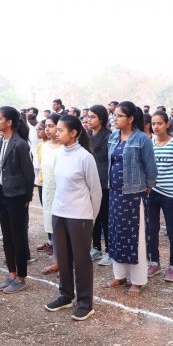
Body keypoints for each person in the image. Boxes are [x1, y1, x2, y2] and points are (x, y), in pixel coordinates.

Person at [45, 115, 101, 320]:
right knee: (63, 257)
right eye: (56, 130)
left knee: (81, 259)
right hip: (59, 213)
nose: (56, 133)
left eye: (60, 130)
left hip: (80, 217)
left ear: (74, 133)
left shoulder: (85, 157)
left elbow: (96, 192)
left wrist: (90, 218)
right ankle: (66, 295)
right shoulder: (60, 154)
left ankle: (85, 303)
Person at [101, 101, 157, 297]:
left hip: (134, 195)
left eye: (119, 116)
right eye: (114, 115)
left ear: (131, 118)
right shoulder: (114, 137)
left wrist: (147, 187)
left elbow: (151, 169)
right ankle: (120, 275)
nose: (114, 119)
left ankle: (138, 280)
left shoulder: (142, 139)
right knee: (116, 234)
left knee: (135, 238)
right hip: (115, 194)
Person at [0, 106, 35, 294]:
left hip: (16, 196)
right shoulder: (0, 142)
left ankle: (21, 277)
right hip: (2, 191)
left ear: (9, 122)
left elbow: (28, 174)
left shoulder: (20, 144)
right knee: (6, 236)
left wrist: (27, 198)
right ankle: (11, 274)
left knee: (18, 237)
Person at [146, 112, 173, 282]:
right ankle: (154, 262)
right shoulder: (149, 144)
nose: (156, 127)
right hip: (151, 193)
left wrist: (171, 186)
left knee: (172, 231)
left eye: (159, 123)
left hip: (170, 195)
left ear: (167, 124)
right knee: (151, 229)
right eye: (153, 123)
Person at [87, 105, 112, 267]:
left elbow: (108, 160)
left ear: (101, 119)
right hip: (89, 183)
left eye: (92, 117)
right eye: (87, 117)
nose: (88, 120)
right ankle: (96, 247)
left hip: (104, 183)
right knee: (92, 217)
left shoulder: (108, 136)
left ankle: (110, 251)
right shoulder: (87, 135)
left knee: (105, 218)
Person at [39, 113, 63, 274]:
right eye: (46, 126)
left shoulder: (65, 147)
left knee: (64, 228)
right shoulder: (44, 146)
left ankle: (68, 261)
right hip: (47, 190)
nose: (47, 129)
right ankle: (57, 261)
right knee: (53, 227)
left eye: (51, 126)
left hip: (62, 192)